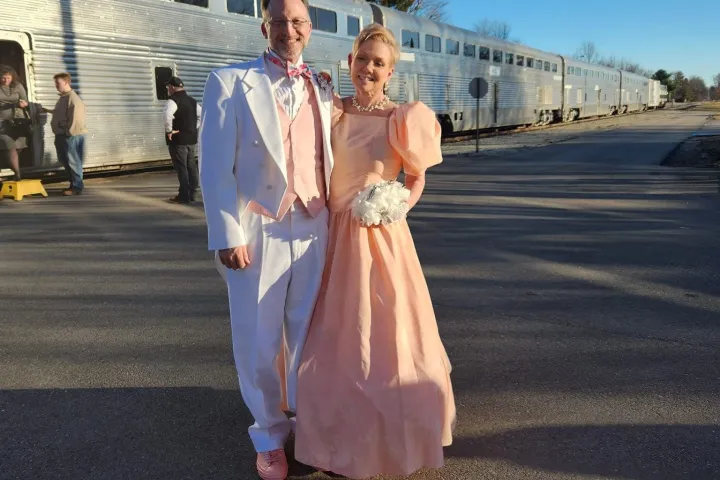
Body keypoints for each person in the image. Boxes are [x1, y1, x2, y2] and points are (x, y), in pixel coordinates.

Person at [294, 23, 456, 478]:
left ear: (390, 72)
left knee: (383, 333)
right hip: (329, 234)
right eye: (362, 58)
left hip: (380, 238)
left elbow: (416, 178)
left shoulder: (403, 118)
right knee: (330, 331)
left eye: (378, 63)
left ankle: (385, 433)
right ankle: (331, 430)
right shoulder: (330, 110)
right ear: (350, 62)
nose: (368, 67)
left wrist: (394, 206)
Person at [198, 0, 335, 478]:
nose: (288, 30)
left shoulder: (322, 85)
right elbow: (214, 166)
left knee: (308, 336)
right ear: (265, 27)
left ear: (310, 29)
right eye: (279, 21)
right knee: (258, 340)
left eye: (297, 22)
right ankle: (268, 434)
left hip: (315, 223)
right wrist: (226, 233)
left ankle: (309, 425)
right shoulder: (230, 81)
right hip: (258, 227)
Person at [43, 72, 87, 196]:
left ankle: (77, 187)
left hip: (70, 135)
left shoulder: (73, 98)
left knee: (73, 161)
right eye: (55, 83)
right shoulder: (64, 97)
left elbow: (77, 118)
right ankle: (73, 184)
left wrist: (69, 133)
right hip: (62, 135)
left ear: (66, 83)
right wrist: (46, 110)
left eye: (58, 83)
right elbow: (61, 114)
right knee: (65, 160)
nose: (56, 85)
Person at [164, 76, 202, 204]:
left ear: (173, 87)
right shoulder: (192, 101)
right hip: (191, 139)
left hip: (178, 140)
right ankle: (193, 194)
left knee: (181, 167)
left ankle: (183, 195)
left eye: (168, 87)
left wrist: (169, 131)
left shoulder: (173, 101)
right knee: (191, 166)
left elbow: (168, 115)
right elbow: (200, 115)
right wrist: (191, 128)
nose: (168, 89)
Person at [0, 65, 28, 181]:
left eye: (8, 78)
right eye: (3, 78)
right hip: (2, 121)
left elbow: (25, 100)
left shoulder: (18, 86)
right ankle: (17, 174)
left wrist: (23, 104)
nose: (6, 81)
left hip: (18, 120)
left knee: (19, 147)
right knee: (9, 146)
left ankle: (13, 167)